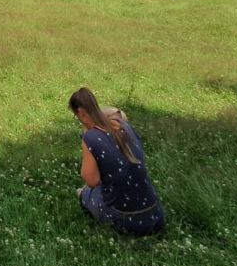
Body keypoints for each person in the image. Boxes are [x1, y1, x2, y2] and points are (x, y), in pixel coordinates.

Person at [68, 87, 165, 236]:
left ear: (81, 113)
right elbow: (116, 111)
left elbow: (92, 181)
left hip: (126, 222)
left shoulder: (90, 138)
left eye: (77, 116)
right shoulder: (124, 125)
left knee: (87, 192)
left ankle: (82, 196)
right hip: (155, 217)